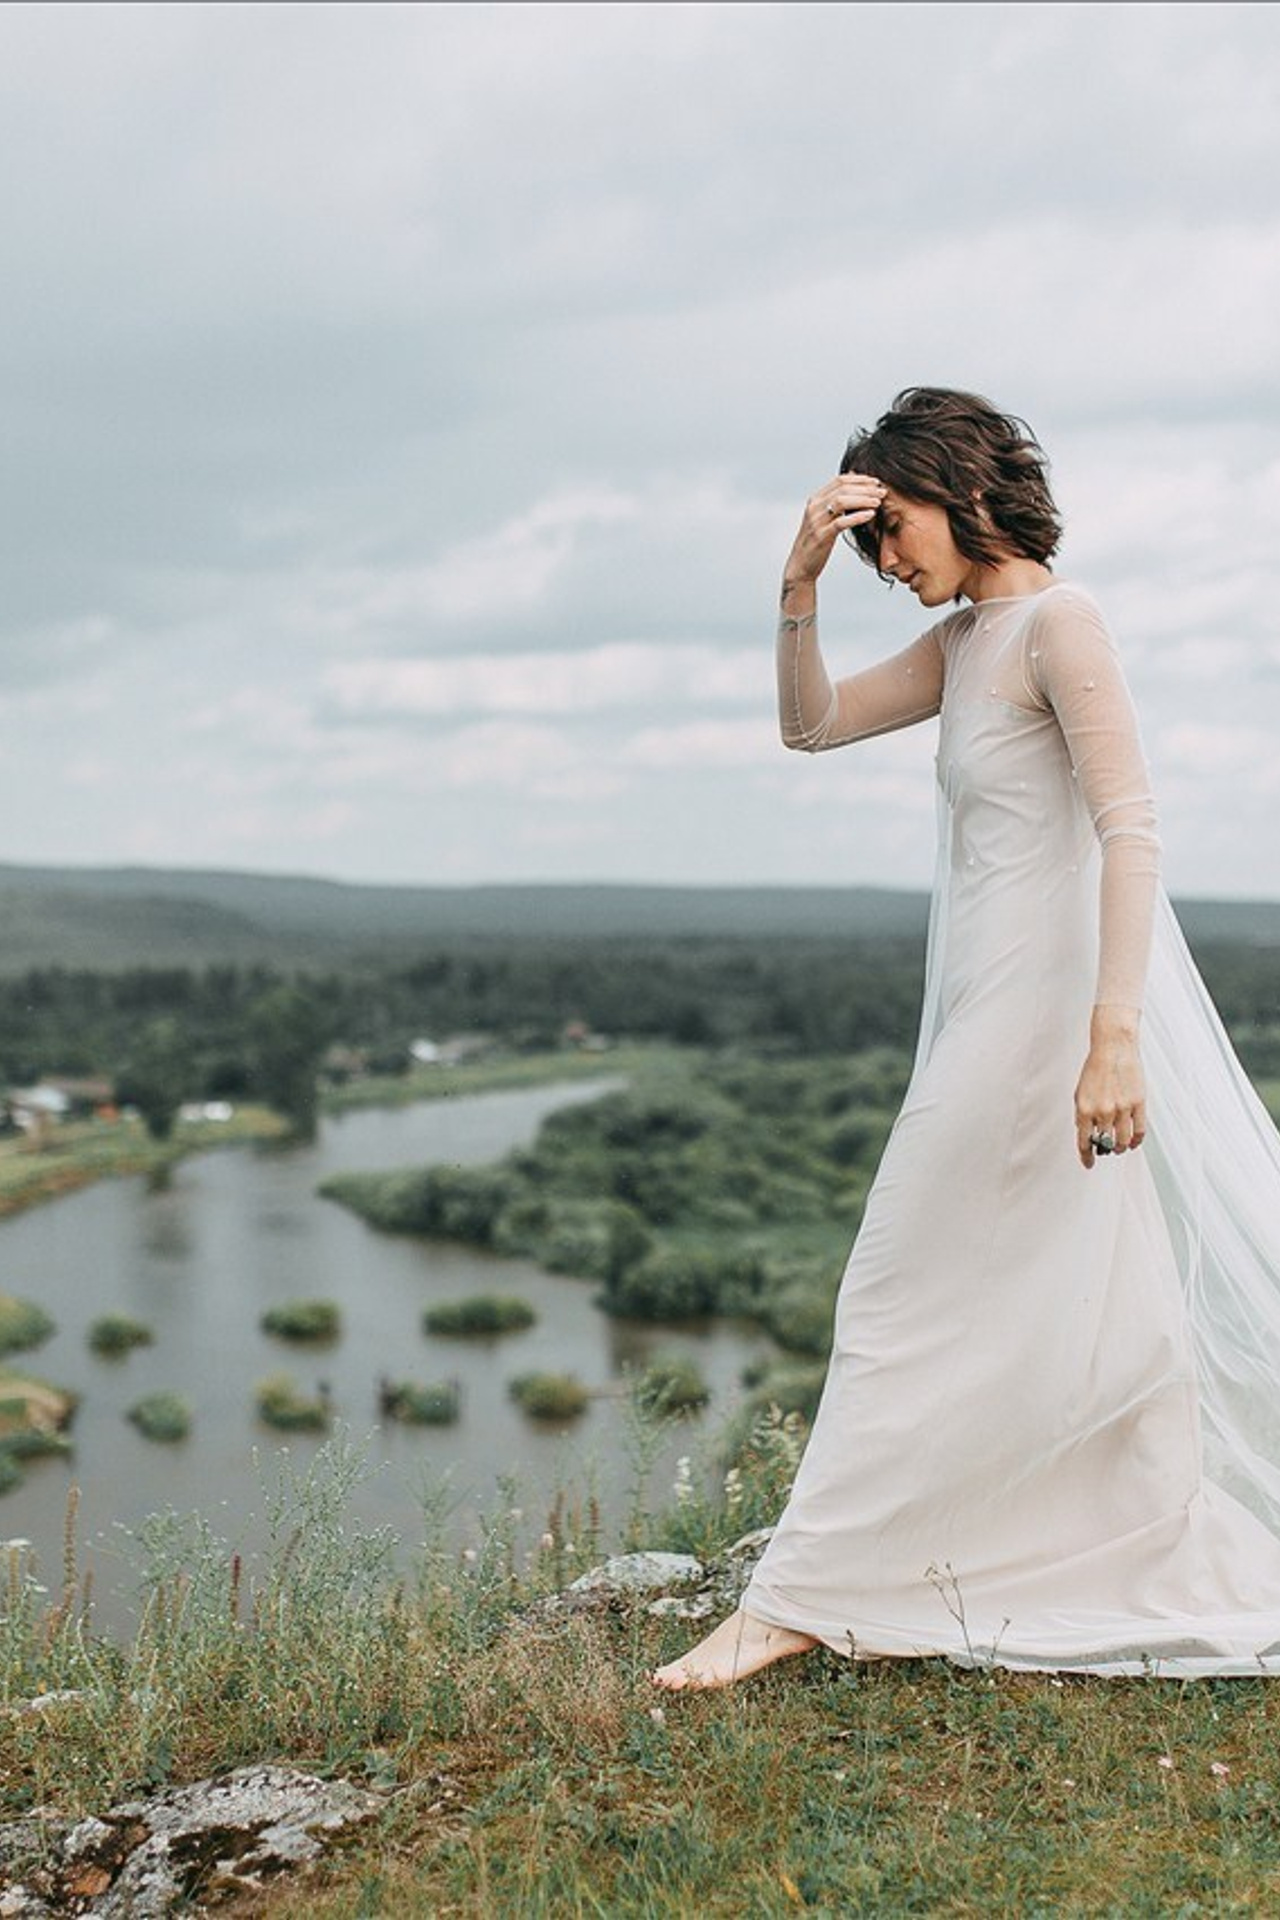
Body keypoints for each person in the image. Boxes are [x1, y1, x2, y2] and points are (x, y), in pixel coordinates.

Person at [654, 387, 1280, 1690]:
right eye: (870, 545)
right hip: (987, 1021)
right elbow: (809, 723)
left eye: (890, 532)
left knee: (893, 1288)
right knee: (1076, 1297)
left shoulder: (1061, 621)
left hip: (1053, 1027)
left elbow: (1134, 829)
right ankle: (1065, 1537)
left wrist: (1113, 1041)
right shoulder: (963, 644)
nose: (889, 564)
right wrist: (795, 583)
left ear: (952, 485)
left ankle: (793, 1601)